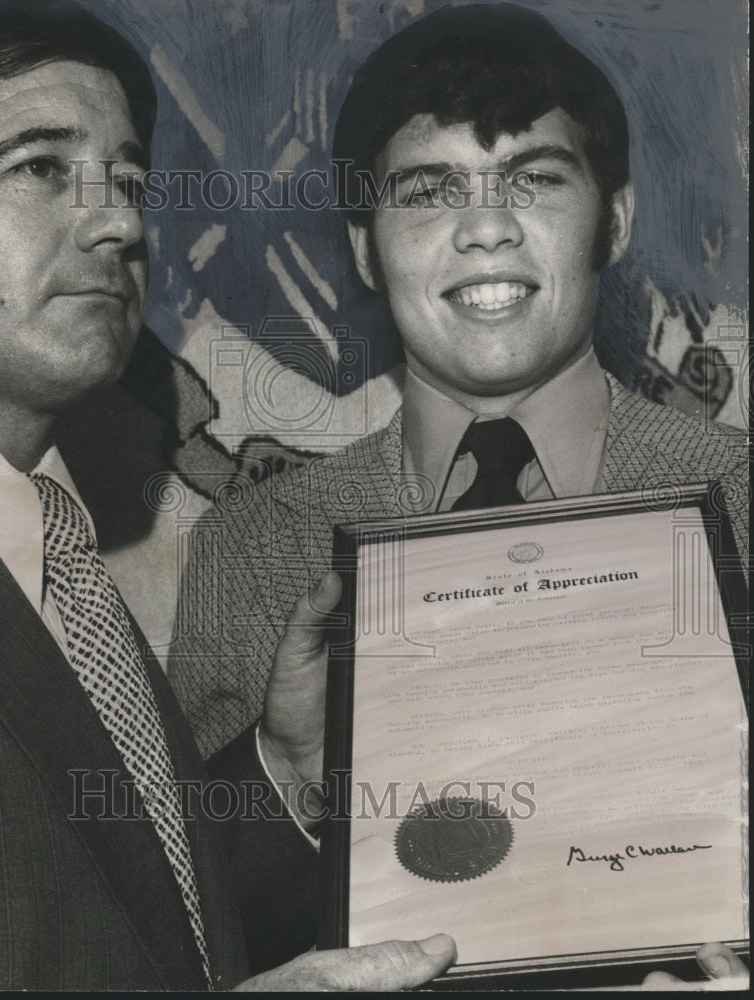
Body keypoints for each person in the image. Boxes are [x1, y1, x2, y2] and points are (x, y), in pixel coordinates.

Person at [0, 0, 465, 989]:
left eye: (129, 180)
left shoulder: (44, 528)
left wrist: (279, 767)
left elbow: (109, 920)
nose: (117, 221)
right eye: (39, 167)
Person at [167, 5, 749, 984]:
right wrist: (282, 770)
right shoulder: (253, 547)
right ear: (362, 247)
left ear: (616, 219)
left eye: (534, 180)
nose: (484, 228)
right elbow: (187, 928)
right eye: (429, 192)